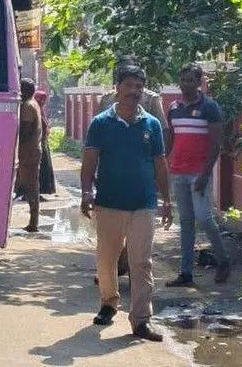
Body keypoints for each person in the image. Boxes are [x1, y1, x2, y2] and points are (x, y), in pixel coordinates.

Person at [80, 64, 173, 342]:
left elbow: (160, 165)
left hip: (143, 204)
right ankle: (109, 302)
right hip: (109, 202)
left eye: (138, 87)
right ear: (117, 88)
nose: (134, 92)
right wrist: (86, 193)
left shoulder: (152, 125)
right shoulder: (100, 124)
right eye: (129, 86)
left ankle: (141, 320)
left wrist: (166, 200)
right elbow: (89, 164)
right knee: (106, 260)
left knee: (141, 262)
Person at [95, 56, 171, 281]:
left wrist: (160, 167)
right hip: (112, 173)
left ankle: (130, 267)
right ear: (118, 82)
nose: (132, 89)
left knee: (138, 231)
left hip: (142, 172)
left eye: (137, 84)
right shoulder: (106, 99)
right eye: (126, 82)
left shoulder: (150, 100)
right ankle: (110, 271)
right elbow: (97, 134)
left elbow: (162, 132)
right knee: (111, 232)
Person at [166, 63, 231, 286]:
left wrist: (205, 173)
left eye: (191, 80)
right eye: (183, 80)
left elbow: (216, 144)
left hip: (199, 173)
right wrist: (167, 165)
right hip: (178, 172)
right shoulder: (174, 107)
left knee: (204, 217)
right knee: (185, 222)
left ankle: (223, 260)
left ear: (199, 82)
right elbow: (172, 140)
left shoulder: (209, 108)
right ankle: (185, 273)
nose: (186, 84)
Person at [15, 78, 43, 232]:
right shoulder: (34, 104)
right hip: (32, 152)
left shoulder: (27, 106)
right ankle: (33, 221)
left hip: (27, 154)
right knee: (31, 187)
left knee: (30, 187)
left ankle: (34, 223)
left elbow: (24, 131)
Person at [34, 89, 57, 197]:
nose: (43, 102)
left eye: (44, 100)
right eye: (41, 99)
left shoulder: (40, 111)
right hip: (37, 144)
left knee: (44, 169)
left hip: (43, 143)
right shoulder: (34, 110)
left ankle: (40, 192)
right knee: (39, 169)